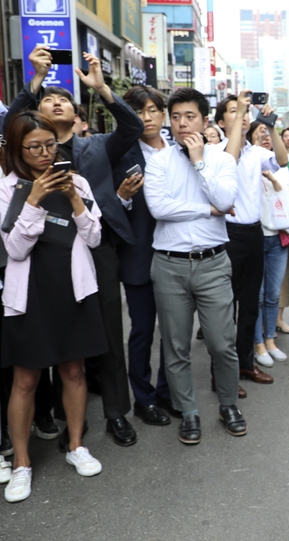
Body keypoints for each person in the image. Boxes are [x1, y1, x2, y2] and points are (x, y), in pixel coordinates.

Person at [4, 45, 143, 449]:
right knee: (40, 348)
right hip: (35, 255)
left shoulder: (94, 146)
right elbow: (10, 125)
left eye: (64, 99)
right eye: (48, 98)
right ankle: (49, 416)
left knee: (107, 336)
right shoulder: (20, 162)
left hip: (91, 247)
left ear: (76, 114)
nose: (56, 102)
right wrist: (34, 79)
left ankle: (116, 414)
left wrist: (102, 88)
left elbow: (132, 129)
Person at [0, 111, 107, 503]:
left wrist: (75, 196)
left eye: (50, 145)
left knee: (74, 370)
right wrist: (34, 199)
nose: (45, 154)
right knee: (25, 380)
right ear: (16, 148)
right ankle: (23, 464)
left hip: (72, 287)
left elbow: (95, 237)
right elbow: (14, 248)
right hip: (29, 293)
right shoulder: (6, 186)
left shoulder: (76, 180)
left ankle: (76, 446)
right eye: (34, 147)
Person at [144, 88, 246, 445]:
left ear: (205, 121)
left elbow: (225, 199)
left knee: (222, 343)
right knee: (176, 346)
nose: (182, 123)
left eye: (190, 116)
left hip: (213, 263)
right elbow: (159, 208)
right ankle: (188, 412)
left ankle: (229, 404)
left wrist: (200, 160)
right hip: (168, 265)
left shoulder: (222, 158)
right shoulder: (158, 160)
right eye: (176, 117)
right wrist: (207, 210)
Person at [111, 86, 177, 426]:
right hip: (138, 256)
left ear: (163, 114)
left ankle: (168, 391)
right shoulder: (121, 154)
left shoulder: (179, 151)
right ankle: (143, 398)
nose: (147, 117)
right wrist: (121, 196)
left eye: (153, 109)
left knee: (173, 330)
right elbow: (108, 208)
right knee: (142, 331)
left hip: (176, 254)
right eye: (139, 111)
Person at [214, 92, 288, 389]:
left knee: (249, 306)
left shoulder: (257, 152)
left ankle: (245, 365)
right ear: (221, 122)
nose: (242, 114)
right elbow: (229, 161)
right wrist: (244, 109)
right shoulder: (215, 150)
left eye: (244, 111)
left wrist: (271, 126)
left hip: (254, 233)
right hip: (226, 235)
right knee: (223, 308)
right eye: (234, 111)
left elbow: (282, 160)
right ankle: (221, 373)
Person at [254, 168, 289, 366]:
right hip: (255, 237)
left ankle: (270, 340)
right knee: (257, 296)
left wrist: (271, 177)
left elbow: (285, 195)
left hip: (278, 238)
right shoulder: (248, 163)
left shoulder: (282, 170)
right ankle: (258, 343)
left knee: (273, 295)